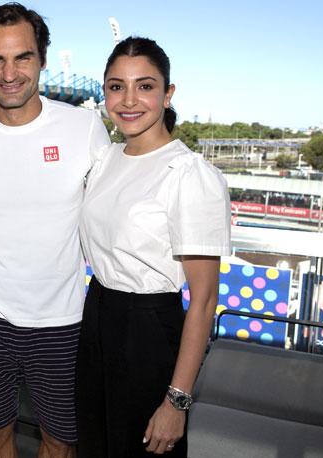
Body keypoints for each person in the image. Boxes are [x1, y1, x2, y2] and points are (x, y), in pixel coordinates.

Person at [0, 3, 110, 457]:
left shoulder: (85, 126)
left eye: (22, 57)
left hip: (63, 322)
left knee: (60, 442)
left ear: (41, 59)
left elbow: (111, 217)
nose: (9, 72)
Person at [76, 36, 231, 457]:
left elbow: (203, 299)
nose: (129, 100)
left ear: (168, 94)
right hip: (97, 316)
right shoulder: (105, 159)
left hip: (148, 332)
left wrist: (177, 400)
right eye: (115, 86)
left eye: (145, 86)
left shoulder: (189, 174)